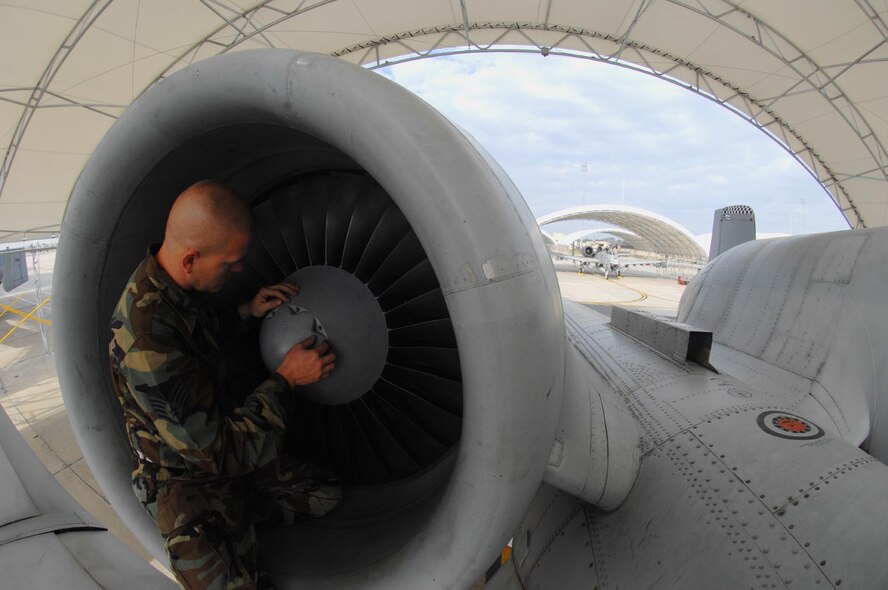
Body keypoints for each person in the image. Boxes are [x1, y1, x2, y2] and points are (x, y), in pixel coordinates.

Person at [108, 179, 341, 590]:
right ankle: (224, 535)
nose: (238, 270)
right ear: (191, 259)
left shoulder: (170, 286)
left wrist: (246, 311)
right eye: (231, 262)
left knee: (324, 492)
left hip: (221, 458)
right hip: (187, 483)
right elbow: (217, 451)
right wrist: (286, 380)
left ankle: (238, 523)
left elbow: (194, 337)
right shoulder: (147, 342)